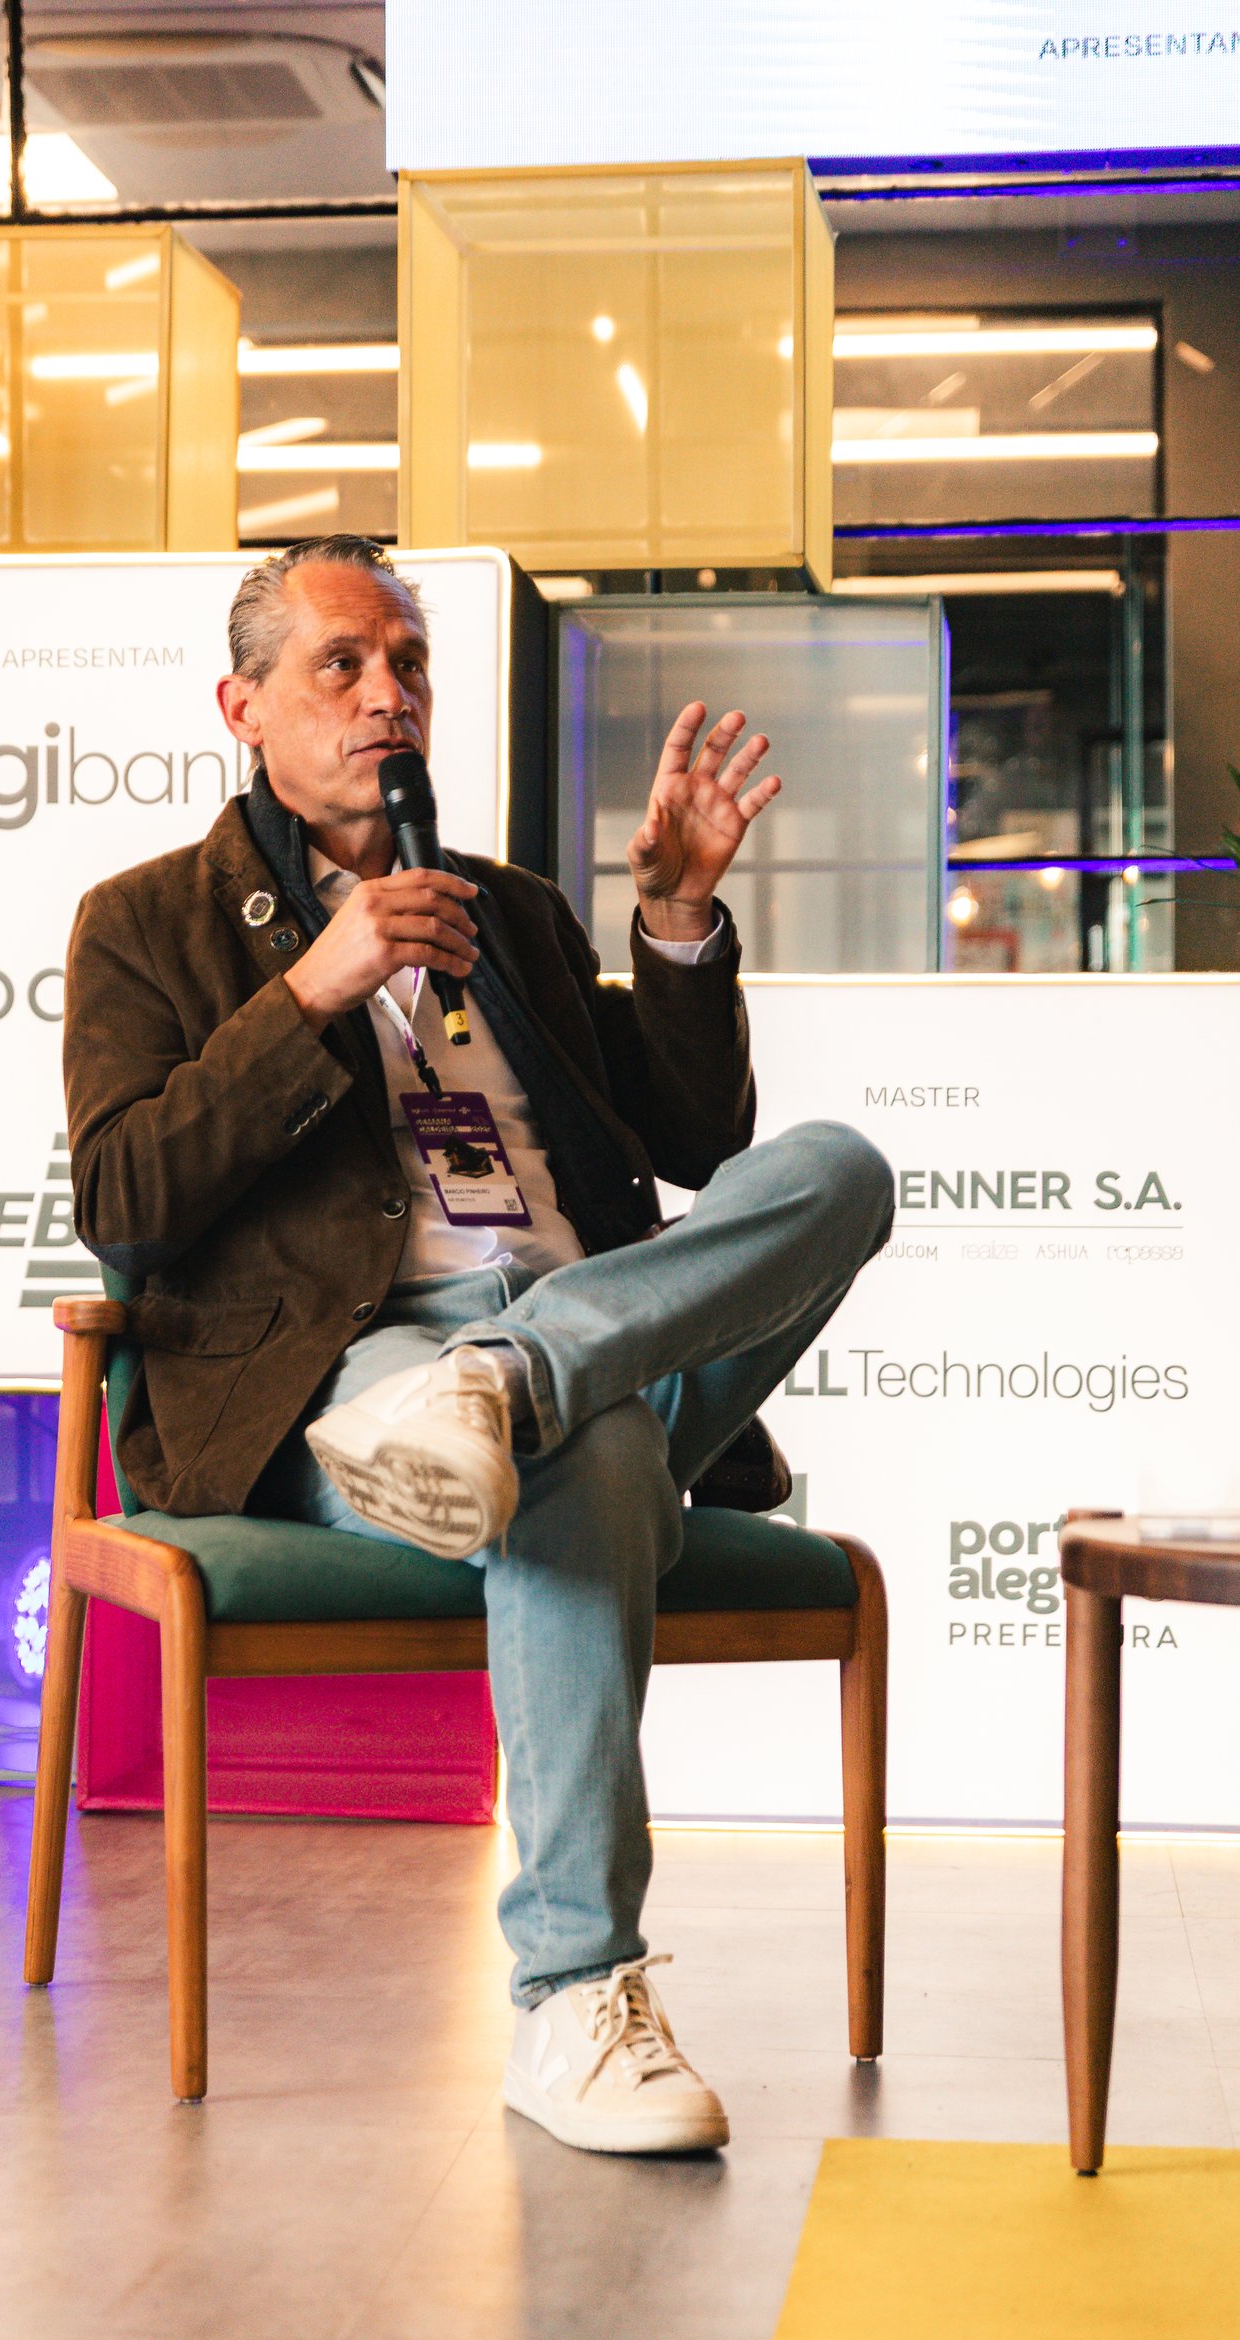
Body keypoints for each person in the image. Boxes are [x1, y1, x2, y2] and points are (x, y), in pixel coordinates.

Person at [65, 536, 893, 2157]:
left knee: (835, 1172)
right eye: (342, 665)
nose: (389, 696)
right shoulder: (151, 924)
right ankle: (575, 1995)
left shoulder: (508, 912)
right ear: (244, 706)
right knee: (585, 1457)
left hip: (580, 1333)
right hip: (360, 1384)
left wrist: (675, 914)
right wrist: (313, 990)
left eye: (408, 665)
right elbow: (123, 1202)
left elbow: (696, 1139)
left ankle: (516, 1382)